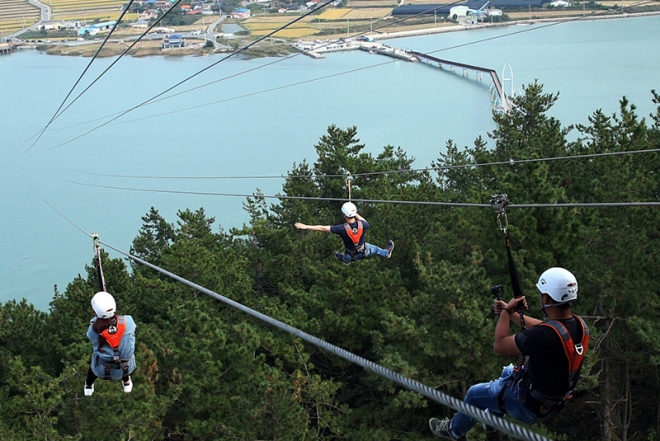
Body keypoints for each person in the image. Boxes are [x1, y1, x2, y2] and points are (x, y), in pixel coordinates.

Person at [429, 267, 589, 441]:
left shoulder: (543, 336)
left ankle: (453, 431)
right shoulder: (579, 326)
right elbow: (545, 329)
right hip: (553, 403)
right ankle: (491, 422)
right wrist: (511, 313)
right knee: (507, 371)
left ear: (546, 298)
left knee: (474, 394)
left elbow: (500, 345)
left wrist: (505, 312)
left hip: (528, 407)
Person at [294, 202, 394, 265]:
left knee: (347, 257)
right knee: (376, 249)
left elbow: (323, 228)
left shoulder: (342, 229)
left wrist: (306, 226)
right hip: (364, 251)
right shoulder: (363, 225)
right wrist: (354, 213)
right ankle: (386, 253)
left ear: (344, 215)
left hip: (351, 254)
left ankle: (346, 260)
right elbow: (364, 220)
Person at [84, 291, 137, 396]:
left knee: (96, 356)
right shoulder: (128, 321)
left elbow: (92, 334)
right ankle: (126, 382)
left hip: (102, 370)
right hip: (127, 367)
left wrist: (96, 320)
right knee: (123, 352)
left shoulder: (94, 330)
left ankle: (89, 386)